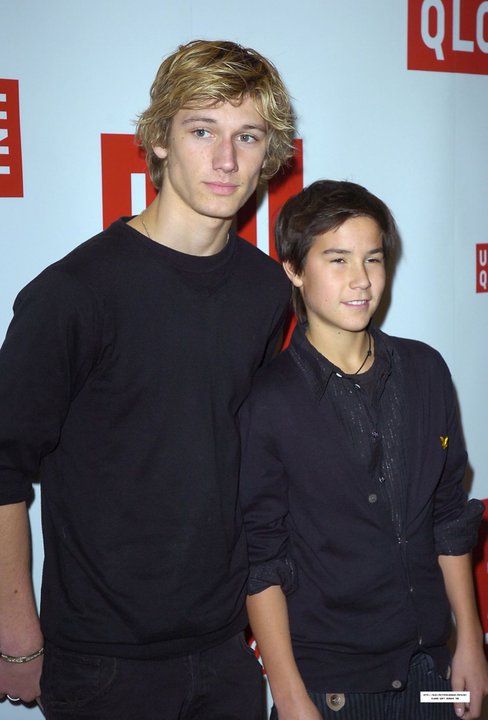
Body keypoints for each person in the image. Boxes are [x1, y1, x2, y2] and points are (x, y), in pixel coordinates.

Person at [0, 39, 295, 719]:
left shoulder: (264, 291)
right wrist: (16, 636)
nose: (227, 160)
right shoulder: (76, 293)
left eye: (248, 136)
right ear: (160, 140)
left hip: (226, 646)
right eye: (202, 131)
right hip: (102, 662)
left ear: (268, 154)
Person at [239, 179, 488, 720]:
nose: (361, 280)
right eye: (337, 260)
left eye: (372, 259)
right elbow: (261, 560)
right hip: (333, 695)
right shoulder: (268, 400)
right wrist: (292, 699)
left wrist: (470, 641)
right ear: (294, 269)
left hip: (433, 680)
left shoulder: (425, 370)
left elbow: (448, 517)